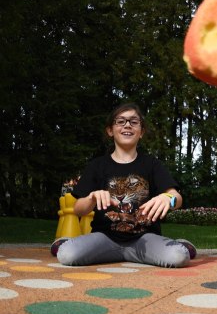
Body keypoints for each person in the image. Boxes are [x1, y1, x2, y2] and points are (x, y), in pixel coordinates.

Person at [57, 103, 195, 267]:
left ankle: (179, 246)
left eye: (133, 121)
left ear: (141, 132)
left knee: (178, 256)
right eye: (120, 121)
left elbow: (177, 198)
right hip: (104, 239)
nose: (127, 125)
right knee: (67, 254)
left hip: (145, 240)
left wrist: (168, 198)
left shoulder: (152, 164)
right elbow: (79, 209)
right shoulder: (97, 166)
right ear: (110, 130)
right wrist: (91, 198)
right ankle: (67, 244)